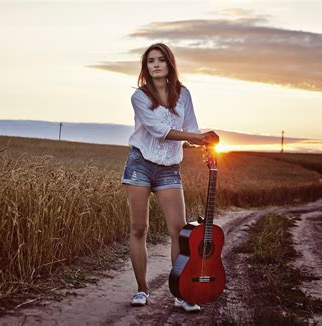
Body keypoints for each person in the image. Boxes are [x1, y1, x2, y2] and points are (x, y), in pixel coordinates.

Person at [120, 43, 219, 312]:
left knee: (180, 232)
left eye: (160, 60)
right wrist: (195, 137)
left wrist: (204, 142)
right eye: (150, 61)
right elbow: (157, 130)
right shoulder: (139, 97)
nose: (155, 65)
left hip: (168, 169)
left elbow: (191, 129)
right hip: (140, 164)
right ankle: (142, 290)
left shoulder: (183, 94)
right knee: (139, 229)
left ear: (169, 64)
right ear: (145, 67)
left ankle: (181, 293)